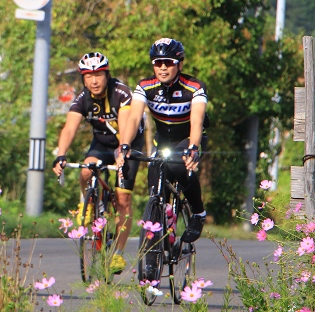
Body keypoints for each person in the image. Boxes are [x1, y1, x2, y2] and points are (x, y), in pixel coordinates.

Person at [51, 52, 144, 274]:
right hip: (101, 144)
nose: (94, 81)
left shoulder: (121, 93)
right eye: (88, 76)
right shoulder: (82, 98)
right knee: (86, 170)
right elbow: (70, 127)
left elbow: (125, 125)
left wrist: (122, 150)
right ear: (83, 78)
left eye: (99, 75)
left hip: (128, 143)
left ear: (107, 74)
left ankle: (118, 256)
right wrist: (61, 154)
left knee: (122, 200)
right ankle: (89, 202)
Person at [117, 37, 208, 243]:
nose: (163, 68)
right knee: (155, 184)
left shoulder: (194, 86)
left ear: (180, 64)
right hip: (162, 143)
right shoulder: (145, 86)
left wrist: (193, 147)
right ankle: (161, 229)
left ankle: (199, 214)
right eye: (158, 63)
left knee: (177, 166)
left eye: (168, 63)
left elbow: (197, 121)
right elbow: (133, 117)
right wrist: (124, 145)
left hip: (188, 139)